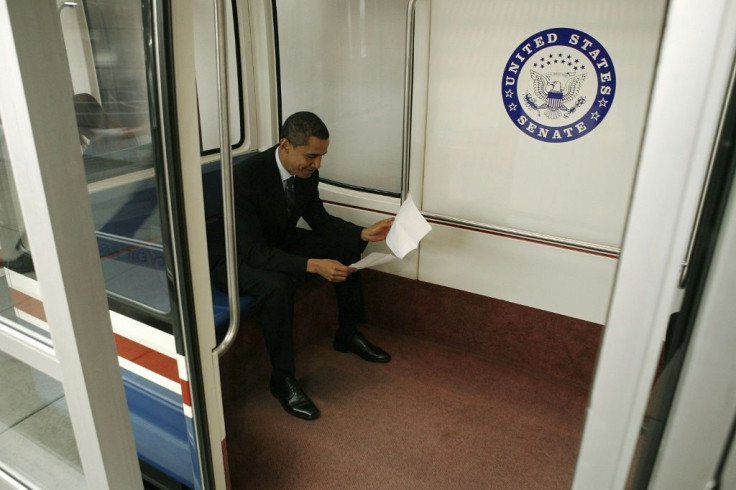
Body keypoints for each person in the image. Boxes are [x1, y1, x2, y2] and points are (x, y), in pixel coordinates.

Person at [210, 111, 394, 420]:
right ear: (285, 146)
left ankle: (347, 333)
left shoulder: (306, 173)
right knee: (276, 286)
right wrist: (312, 265)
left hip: (275, 240)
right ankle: (282, 378)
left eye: (322, 156)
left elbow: (318, 220)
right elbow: (254, 252)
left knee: (344, 247)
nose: (318, 164)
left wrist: (360, 234)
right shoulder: (244, 179)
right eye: (311, 155)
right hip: (233, 254)